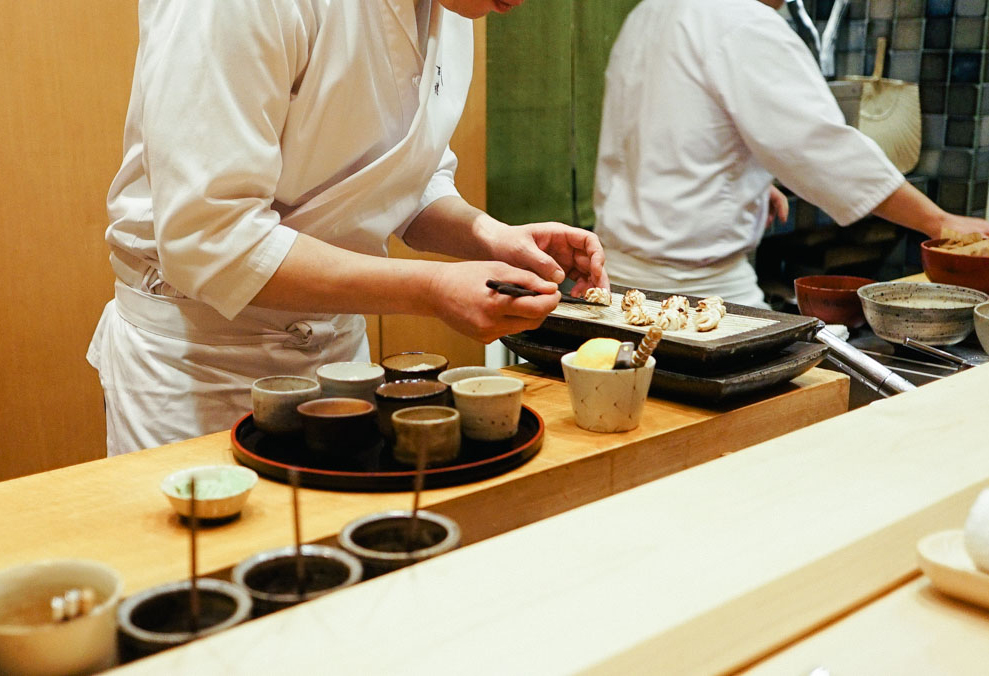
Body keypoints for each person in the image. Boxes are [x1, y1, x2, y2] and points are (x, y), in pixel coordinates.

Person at [88, 0, 609, 456]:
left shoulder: (451, 9)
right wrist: (431, 289)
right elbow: (212, 239)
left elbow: (397, 173)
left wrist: (488, 235)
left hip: (339, 360)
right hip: (201, 363)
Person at [593, 0, 989, 308]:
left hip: (621, 280)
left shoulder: (651, 11)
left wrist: (748, 178)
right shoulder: (742, 20)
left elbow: (669, 133)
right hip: (697, 294)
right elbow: (823, 150)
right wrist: (940, 222)